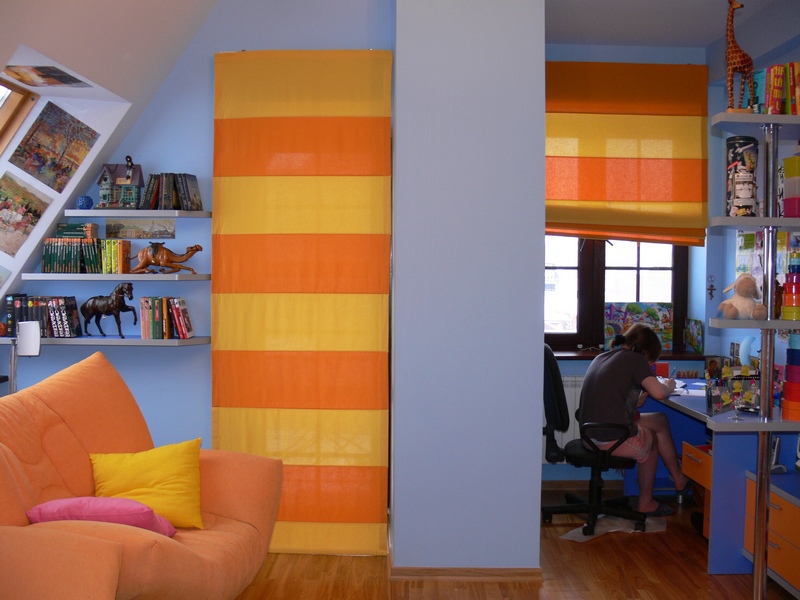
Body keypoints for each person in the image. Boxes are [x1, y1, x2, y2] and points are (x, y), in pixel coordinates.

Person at [577, 323, 691, 516]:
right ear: (644, 351)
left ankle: (678, 477)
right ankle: (646, 503)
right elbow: (659, 393)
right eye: (650, 360)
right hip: (607, 435)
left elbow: (611, 400)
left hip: (590, 432)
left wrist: (636, 402)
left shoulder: (603, 356)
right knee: (651, 440)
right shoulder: (635, 359)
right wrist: (669, 385)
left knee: (659, 420)